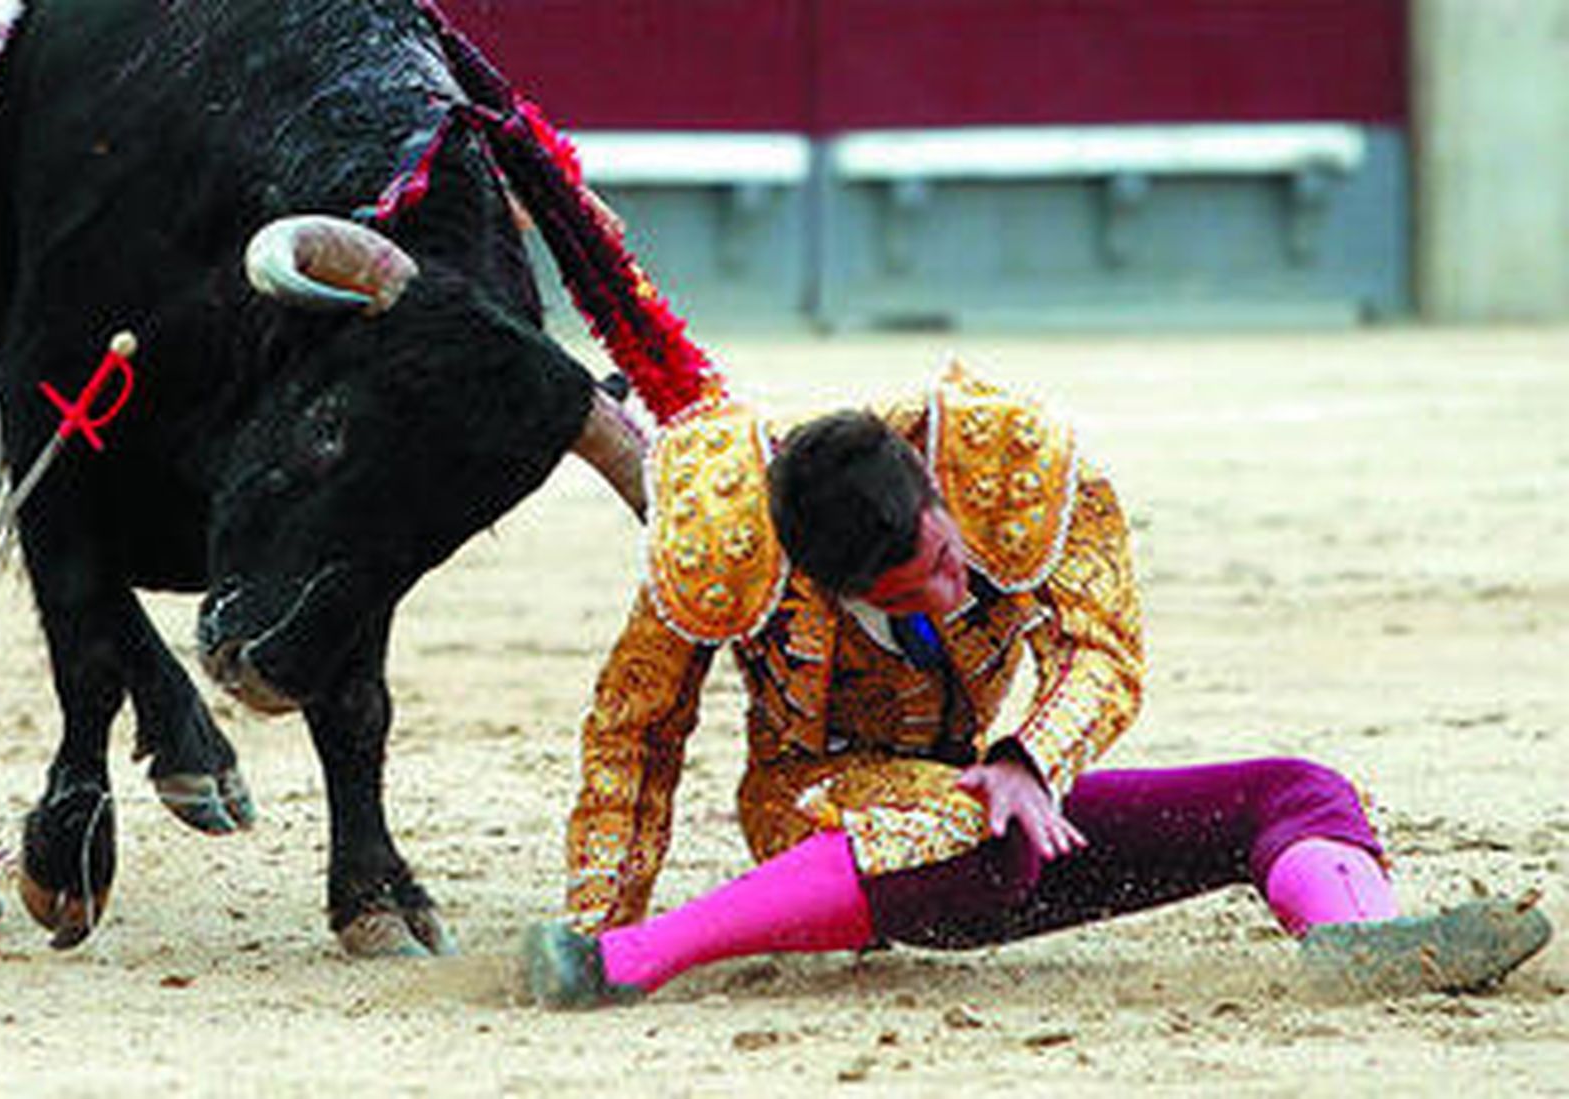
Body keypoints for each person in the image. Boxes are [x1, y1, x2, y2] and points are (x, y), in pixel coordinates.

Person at [522, 362, 1551, 1009]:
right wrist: (595, 917)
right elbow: (636, 731)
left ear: (932, 491)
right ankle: (631, 961)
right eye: (913, 589)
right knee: (976, 833)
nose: (951, 585)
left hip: (1001, 805)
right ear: (829, 588)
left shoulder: (1007, 464)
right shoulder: (722, 539)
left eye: (942, 554)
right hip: (823, 816)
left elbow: (1102, 647)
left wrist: (1023, 760)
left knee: (1295, 790)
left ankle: (1360, 943)